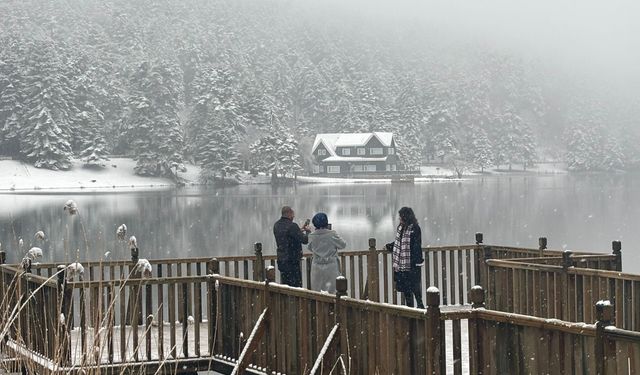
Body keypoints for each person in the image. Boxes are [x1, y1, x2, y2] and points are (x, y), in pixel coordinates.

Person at [386, 207, 425, 308]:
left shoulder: (415, 228)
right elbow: (400, 243)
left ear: (406, 217)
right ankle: (410, 310)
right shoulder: (401, 228)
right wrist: (390, 246)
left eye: (401, 217)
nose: (400, 219)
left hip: (412, 264)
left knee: (416, 289)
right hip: (402, 266)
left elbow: (416, 245)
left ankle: (420, 308)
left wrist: (416, 261)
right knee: (407, 291)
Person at [308, 213, 347, 293]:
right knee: (332, 291)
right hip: (331, 266)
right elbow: (343, 245)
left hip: (316, 267)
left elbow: (310, 247)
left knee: (317, 291)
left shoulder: (312, 236)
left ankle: (318, 305)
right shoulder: (332, 234)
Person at [273, 206, 310, 287]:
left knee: (285, 286)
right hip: (292, 262)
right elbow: (305, 240)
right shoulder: (292, 226)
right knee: (296, 286)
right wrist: (308, 232)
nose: (293, 216)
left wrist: (299, 230)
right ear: (289, 214)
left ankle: (286, 299)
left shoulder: (277, 225)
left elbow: (286, 235)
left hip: (282, 261)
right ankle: (295, 299)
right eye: (293, 214)